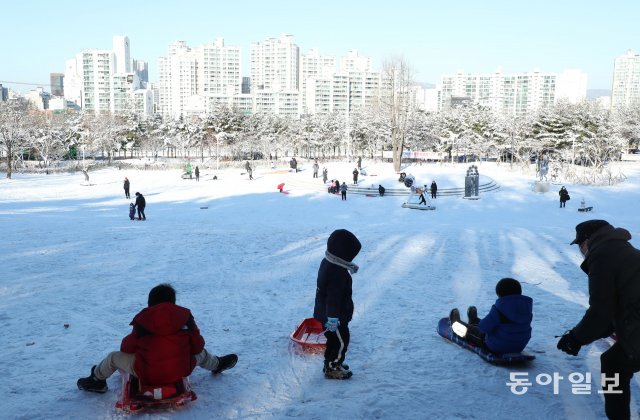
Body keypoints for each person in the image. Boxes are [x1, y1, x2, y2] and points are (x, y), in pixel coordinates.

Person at [77, 284, 238, 393]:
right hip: (181, 370)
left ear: (150, 302)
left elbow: (126, 348)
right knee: (200, 353)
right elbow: (197, 346)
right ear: (173, 301)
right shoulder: (185, 316)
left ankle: (97, 380)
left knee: (113, 357)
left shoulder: (143, 319)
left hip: (147, 373)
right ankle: (217, 364)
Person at [557, 220, 640, 419]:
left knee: (613, 364)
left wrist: (575, 338)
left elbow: (601, 310)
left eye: (579, 245)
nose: (580, 250)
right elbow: (617, 306)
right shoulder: (624, 249)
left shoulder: (602, 256)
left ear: (587, 241)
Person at [313, 229, 361, 379]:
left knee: (333, 342)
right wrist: (333, 318)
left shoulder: (328, 262)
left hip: (328, 315)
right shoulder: (337, 273)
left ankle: (332, 362)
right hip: (334, 319)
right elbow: (333, 298)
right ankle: (333, 367)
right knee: (340, 343)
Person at [449, 278, 533, 354]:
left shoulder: (500, 309)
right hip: (519, 346)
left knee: (474, 332)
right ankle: (474, 321)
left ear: (500, 294)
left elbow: (483, 328)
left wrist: (481, 325)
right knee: (499, 324)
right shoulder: (526, 308)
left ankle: (456, 326)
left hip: (497, 346)